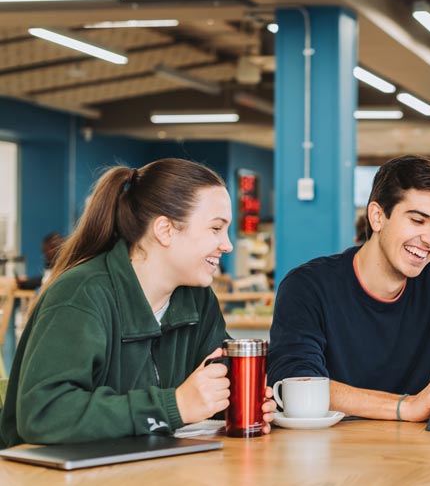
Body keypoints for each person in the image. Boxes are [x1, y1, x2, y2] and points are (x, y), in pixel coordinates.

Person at [0, 159, 276, 447]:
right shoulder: (81, 294)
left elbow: (213, 381)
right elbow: (44, 413)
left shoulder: (197, 298)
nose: (227, 244)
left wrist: (242, 402)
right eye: (216, 228)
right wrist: (174, 405)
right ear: (165, 230)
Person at [268, 156, 430, 422]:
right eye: (418, 221)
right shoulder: (306, 286)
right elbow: (296, 381)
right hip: (324, 451)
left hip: (407, 452)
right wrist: (406, 406)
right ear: (377, 217)